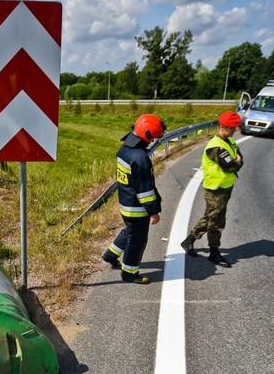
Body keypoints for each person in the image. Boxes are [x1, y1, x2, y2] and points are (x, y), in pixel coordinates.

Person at [102, 114, 166, 284]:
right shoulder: (140, 158)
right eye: (152, 138)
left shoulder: (124, 149)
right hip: (137, 208)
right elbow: (145, 190)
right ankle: (129, 272)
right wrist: (154, 212)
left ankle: (110, 255)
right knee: (137, 240)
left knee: (130, 231)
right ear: (146, 135)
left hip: (125, 202)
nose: (152, 142)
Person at [180, 111, 244, 268]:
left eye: (235, 127)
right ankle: (214, 253)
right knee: (216, 220)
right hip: (215, 189)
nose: (234, 131)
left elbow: (239, 160)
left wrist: (238, 162)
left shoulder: (229, 142)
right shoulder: (215, 147)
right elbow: (231, 166)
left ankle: (189, 241)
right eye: (231, 128)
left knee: (211, 216)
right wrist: (238, 162)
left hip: (225, 187)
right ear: (222, 127)